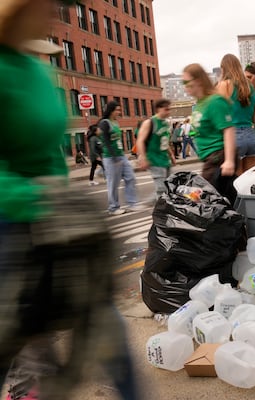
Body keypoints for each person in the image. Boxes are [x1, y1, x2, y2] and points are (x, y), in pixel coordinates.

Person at [0, 1, 139, 399]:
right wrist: (31, 196)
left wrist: (62, 198)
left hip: (54, 222)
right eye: (43, 6)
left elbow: (48, 154)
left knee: (104, 323)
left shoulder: (40, 71)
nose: (55, 14)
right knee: (15, 335)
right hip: (10, 225)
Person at [183, 63, 237, 204]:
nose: (184, 86)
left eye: (186, 82)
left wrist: (229, 160)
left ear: (198, 81)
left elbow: (228, 130)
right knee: (219, 202)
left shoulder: (215, 101)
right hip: (210, 158)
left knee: (206, 201)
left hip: (218, 157)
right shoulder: (200, 104)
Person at [216, 54, 255, 176]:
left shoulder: (224, 85)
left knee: (237, 184)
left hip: (233, 137)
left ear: (224, 68)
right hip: (251, 136)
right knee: (251, 180)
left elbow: (219, 113)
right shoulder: (251, 87)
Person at [99, 101, 142, 215]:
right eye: (117, 110)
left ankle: (132, 203)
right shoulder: (104, 123)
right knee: (113, 183)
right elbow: (106, 142)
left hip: (121, 155)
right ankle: (113, 207)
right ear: (111, 110)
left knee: (130, 177)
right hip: (111, 157)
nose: (119, 111)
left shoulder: (116, 122)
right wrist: (114, 157)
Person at [136, 98, 177, 201]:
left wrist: (171, 155)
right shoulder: (149, 123)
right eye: (166, 109)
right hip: (154, 159)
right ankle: (161, 212)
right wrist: (143, 158)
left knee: (168, 187)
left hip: (164, 159)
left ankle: (150, 204)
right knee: (161, 189)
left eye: (169, 109)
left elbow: (164, 141)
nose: (169, 112)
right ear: (159, 109)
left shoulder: (165, 123)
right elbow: (140, 141)